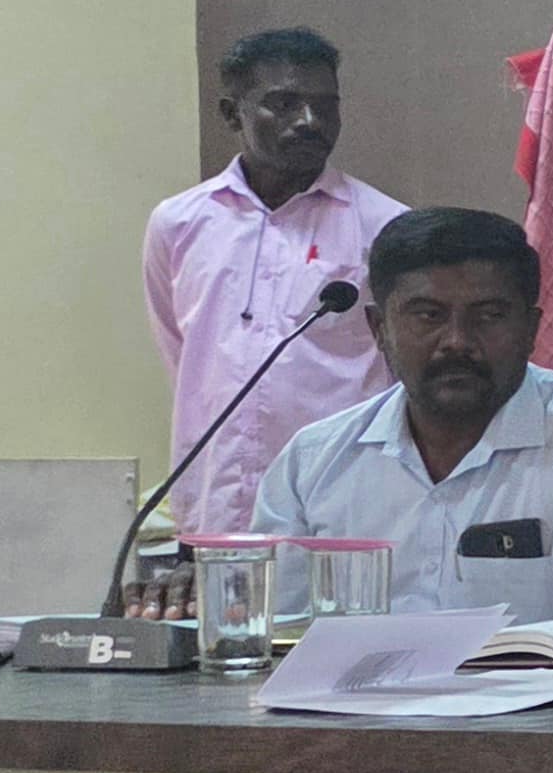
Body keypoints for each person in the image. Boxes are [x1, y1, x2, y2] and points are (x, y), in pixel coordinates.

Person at [248, 209, 553, 623]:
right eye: (428, 315)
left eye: (489, 316)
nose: (457, 341)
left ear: (531, 329)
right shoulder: (314, 461)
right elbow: (276, 632)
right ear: (379, 329)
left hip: (548, 683)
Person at [143, 27, 407, 535]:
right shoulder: (179, 223)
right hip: (219, 502)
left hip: (342, 504)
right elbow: (185, 358)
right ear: (232, 114)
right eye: (284, 104)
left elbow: (401, 373)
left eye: (325, 106)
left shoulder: (384, 226)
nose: (309, 121)